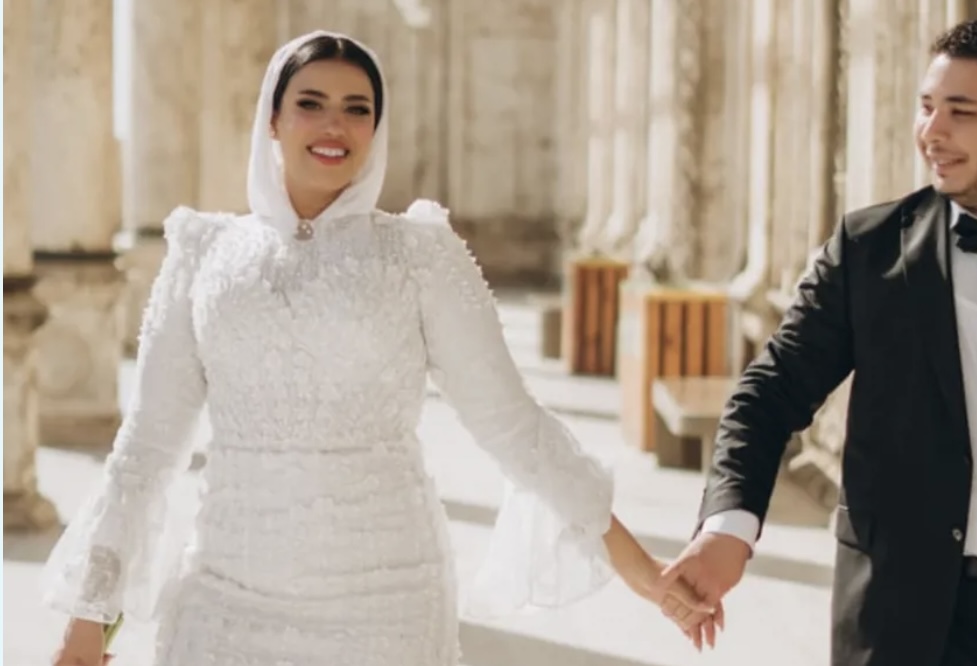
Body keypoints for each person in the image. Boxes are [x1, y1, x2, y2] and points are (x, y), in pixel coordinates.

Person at [44, 31, 710, 666]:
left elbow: (512, 425)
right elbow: (148, 449)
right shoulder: (202, 254)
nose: (334, 125)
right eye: (311, 103)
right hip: (221, 600)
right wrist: (88, 616)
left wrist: (644, 572)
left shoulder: (419, 255)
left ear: (376, 127)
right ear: (273, 119)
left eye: (357, 109)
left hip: (386, 605)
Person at [654, 15, 977, 666]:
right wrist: (726, 528)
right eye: (927, 106)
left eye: (961, 112)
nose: (932, 131)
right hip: (904, 625)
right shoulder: (866, 252)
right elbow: (769, 393)